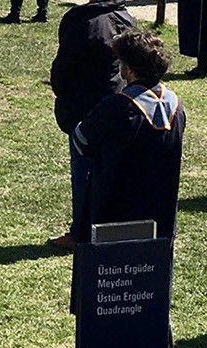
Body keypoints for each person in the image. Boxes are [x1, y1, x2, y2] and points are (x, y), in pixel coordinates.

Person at [48, 0, 137, 248]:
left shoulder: (82, 22)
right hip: (120, 105)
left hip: (87, 111)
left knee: (84, 173)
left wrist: (62, 92)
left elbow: (64, 69)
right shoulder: (124, 16)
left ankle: (81, 232)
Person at [72, 30, 185, 242]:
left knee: (115, 272)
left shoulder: (118, 107)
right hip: (161, 217)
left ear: (128, 69)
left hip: (115, 216)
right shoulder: (176, 106)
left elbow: (81, 140)